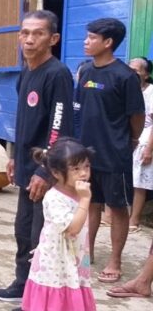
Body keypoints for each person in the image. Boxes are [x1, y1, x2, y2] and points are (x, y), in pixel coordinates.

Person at [0, 10, 74, 303]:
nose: (29, 39)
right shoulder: (26, 71)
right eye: (24, 33)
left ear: (53, 38)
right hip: (26, 167)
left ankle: (41, 298)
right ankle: (23, 284)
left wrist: (45, 172)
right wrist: (14, 155)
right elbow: (24, 119)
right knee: (24, 231)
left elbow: (59, 126)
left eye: (37, 33)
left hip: (46, 173)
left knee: (43, 237)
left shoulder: (57, 74)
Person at [76, 18, 145, 283]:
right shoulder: (86, 72)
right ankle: (87, 251)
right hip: (86, 155)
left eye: (92, 38)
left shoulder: (125, 76)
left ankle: (115, 260)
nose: (86, 41)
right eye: (87, 36)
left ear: (108, 43)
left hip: (114, 152)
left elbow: (136, 116)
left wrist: (132, 140)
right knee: (90, 202)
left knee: (116, 207)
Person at [21, 138, 96, 311]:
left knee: (72, 297)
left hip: (74, 260)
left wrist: (83, 198)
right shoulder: (54, 198)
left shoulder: (78, 193)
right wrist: (85, 200)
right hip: (55, 265)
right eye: (76, 169)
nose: (83, 173)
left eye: (86, 166)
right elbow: (73, 228)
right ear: (56, 172)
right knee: (56, 301)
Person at [129, 57, 153, 233]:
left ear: (146, 74)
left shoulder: (151, 92)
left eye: (136, 71)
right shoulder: (126, 88)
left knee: (139, 182)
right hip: (127, 139)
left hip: (145, 140)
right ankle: (109, 216)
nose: (132, 73)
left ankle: (134, 219)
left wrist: (149, 149)